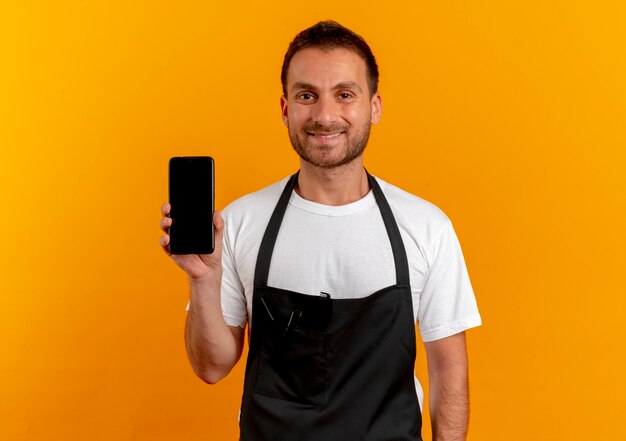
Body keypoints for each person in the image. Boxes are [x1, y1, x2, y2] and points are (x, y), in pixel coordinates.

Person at [160, 20, 481, 441]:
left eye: (344, 95)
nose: (325, 115)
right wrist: (203, 280)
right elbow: (210, 367)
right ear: (285, 108)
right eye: (307, 95)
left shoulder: (426, 227)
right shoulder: (240, 223)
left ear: (375, 106)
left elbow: (449, 371)